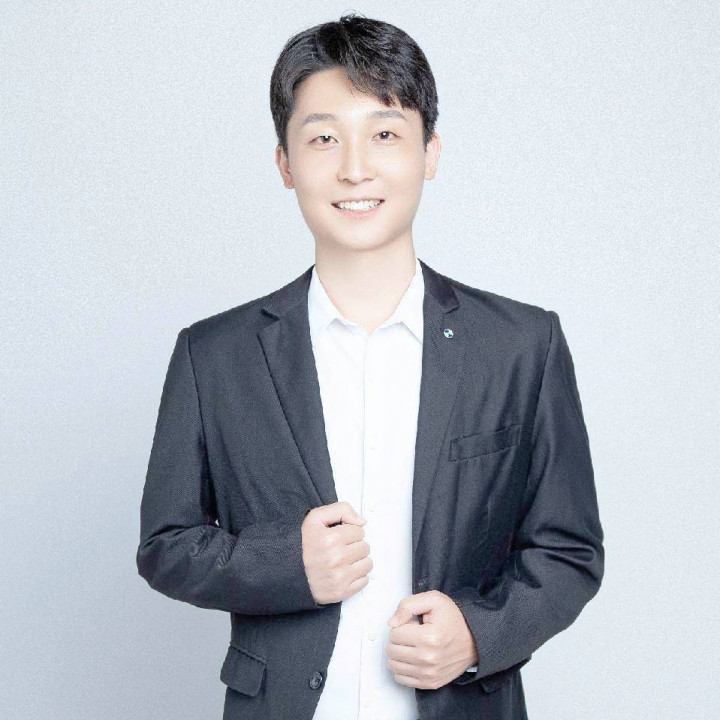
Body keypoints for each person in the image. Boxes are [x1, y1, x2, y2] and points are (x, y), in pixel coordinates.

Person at [136, 13, 604, 720]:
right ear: (285, 163)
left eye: (385, 134)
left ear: (429, 153)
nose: (354, 167)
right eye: (324, 138)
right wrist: (286, 565)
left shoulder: (520, 345)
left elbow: (568, 550)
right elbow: (166, 545)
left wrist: (478, 635)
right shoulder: (215, 356)